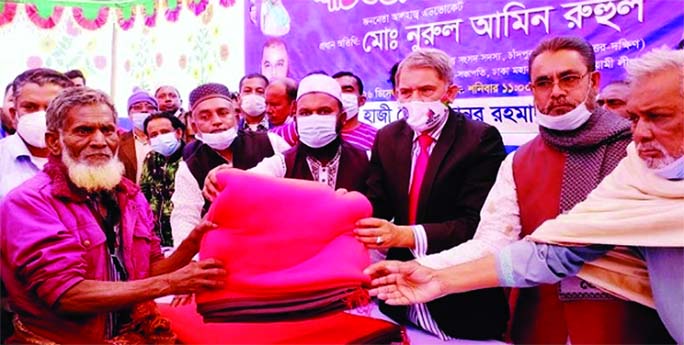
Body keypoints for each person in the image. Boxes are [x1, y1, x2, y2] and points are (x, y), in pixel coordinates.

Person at [366, 47, 684, 344]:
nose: (556, 91)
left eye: (569, 78)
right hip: (539, 316)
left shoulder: (632, 154)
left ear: (593, 81)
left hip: (630, 325)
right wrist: (437, 276)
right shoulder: (524, 162)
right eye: (543, 82)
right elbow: (543, 250)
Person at [0, 87, 226, 343]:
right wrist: (171, 283)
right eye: (84, 131)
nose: (99, 140)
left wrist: (190, 245)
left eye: (107, 130)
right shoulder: (29, 202)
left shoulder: (128, 195)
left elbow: (146, 270)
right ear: (54, 142)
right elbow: (67, 295)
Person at [357, 48, 509, 341]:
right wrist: (346, 207)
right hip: (399, 297)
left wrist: (403, 235)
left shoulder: (479, 139)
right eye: (406, 91)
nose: (416, 100)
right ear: (395, 95)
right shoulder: (388, 137)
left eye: (427, 90)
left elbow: (474, 225)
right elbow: (376, 203)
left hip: (459, 297)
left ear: (450, 92)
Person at [203, 74, 369, 200]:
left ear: (342, 118)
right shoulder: (282, 163)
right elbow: (247, 180)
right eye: (305, 113)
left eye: (324, 111)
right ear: (295, 118)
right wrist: (222, 177)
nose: (314, 118)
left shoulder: (366, 159)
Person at [170, 83, 289, 249]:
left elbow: (295, 188)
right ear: (195, 125)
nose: (216, 121)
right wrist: (190, 260)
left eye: (223, 113)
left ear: (236, 116)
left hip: (280, 244)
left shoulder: (271, 143)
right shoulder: (190, 168)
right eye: (205, 117)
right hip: (226, 253)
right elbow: (185, 217)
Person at [0, 68, 73, 200]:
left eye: (51, 107)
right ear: (13, 113)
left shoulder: (81, 162)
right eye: (30, 107)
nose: (41, 115)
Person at [140, 111, 186, 250]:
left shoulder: (193, 157)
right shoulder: (151, 158)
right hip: (157, 239)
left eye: (165, 132)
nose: (160, 137)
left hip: (185, 236)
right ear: (148, 140)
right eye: (154, 135)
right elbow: (143, 192)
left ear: (178, 133)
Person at [118, 88, 158, 183]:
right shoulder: (118, 143)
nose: (144, 110)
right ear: (129, 114)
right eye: (137, 107)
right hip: (129, 196)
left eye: (150, 107)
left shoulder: (166, 141)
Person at [333, 71, 377, 152]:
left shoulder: (375, 137)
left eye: (347, 90)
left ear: (361, 100)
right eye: (335, 91)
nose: (340, 96)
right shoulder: (320, 135)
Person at [265, 77, 298, 145]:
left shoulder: (300, 132)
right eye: (266, 104)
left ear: (294, 106)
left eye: (274, 105)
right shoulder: (264, 127)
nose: (268, 110)